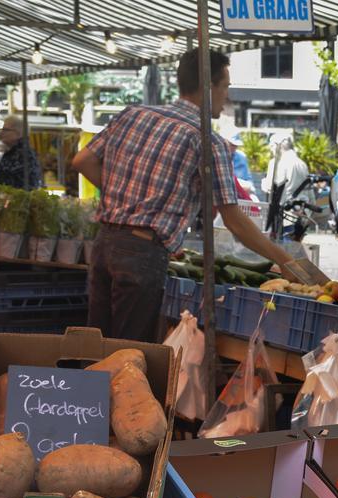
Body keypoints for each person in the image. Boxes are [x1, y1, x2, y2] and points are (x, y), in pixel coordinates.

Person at [71, 48, 301, 343]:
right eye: (225, 87)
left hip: (104, 242)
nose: (226, 96)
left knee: (97, 344)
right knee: (127, 352)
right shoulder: (206, 138)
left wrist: (124, 198)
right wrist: (284, 260)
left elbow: (82, 161)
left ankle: (87, 389)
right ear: (209, 87)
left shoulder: (133, 114)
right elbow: (233, 218)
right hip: (142, 252)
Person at [0, 115, 42, 189]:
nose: (1, 133)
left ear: (19, 133)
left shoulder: (23, 152)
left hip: (20, 199)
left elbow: (2, 169)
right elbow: (9, 177)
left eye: (5, 130)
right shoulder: (16, 151)